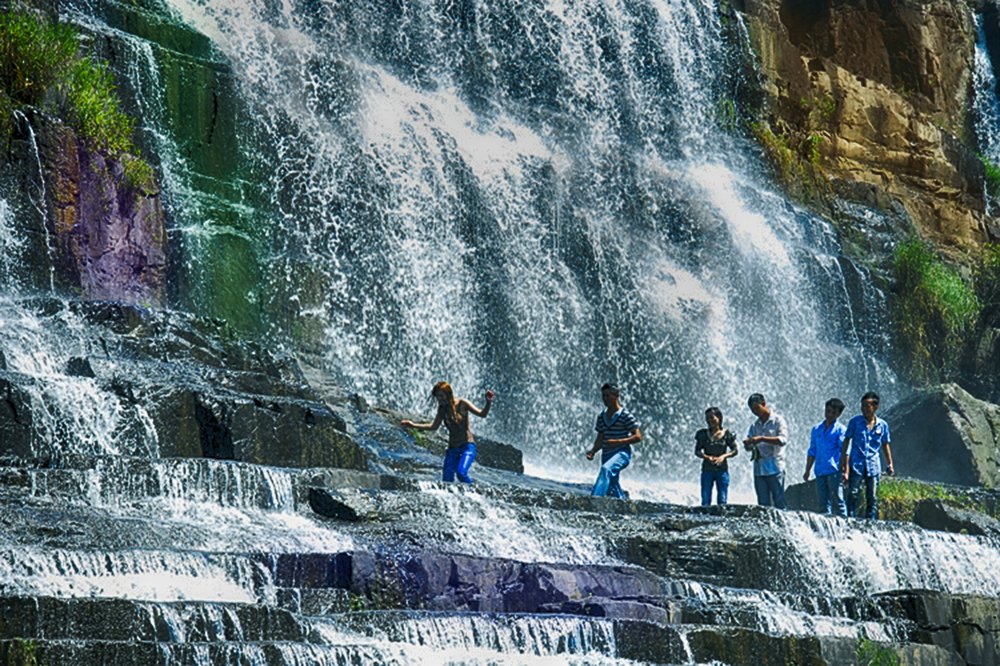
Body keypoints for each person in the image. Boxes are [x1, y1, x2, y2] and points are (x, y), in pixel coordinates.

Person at [401, 381, 494, 483]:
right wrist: (412, 425)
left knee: (461, 473)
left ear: (448, 394)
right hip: (452, 449)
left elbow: (482, 414)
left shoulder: (462, 404)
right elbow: (433, 426)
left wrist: (488, 402)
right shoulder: (442, 409)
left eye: (441, 396)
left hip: (467, 447)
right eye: (437, 397)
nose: (439, 399)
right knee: (447, 480)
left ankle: (476, 493)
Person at [840, 391, 894, 519]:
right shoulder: (855, 422)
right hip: (856, 463)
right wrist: (843, 461)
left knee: (872, 496)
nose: (864, 409)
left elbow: (885, 444)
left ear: (875, 407)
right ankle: (850, 519)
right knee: (853, 493)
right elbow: (846, 441)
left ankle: (871, 522)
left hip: (873, 465)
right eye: (862, 406)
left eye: (867, 406)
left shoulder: (883, 425)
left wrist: (890, 463)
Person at [584, 383, 641, 498]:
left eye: (608, 396)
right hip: (606, 453)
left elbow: (638, 437)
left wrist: (618, 442)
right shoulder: (601, 417)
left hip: (621, 453)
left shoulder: (625, 415)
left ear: (616, 396)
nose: (605, 399)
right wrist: (593, 451)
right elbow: (600, 438)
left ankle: (595, 499)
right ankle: (622, 504)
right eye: (603, 396)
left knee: (606, 470)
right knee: (612, 484)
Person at [803, 398, 847, 517]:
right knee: (823, 503)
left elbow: (845, 451)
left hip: (834, 470)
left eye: (834, 413)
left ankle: (846, 528)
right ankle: (827, 531)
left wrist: (846, 471)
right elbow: (812, 451)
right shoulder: (816, 429)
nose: (830, 415)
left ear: (839, 414)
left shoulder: (841, 430)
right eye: (828, 411)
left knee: (838, 501)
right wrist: (807, 470)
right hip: (820, 470)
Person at [744, 393, 789, 509]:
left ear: (763, 404)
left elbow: (782, 440)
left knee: (779, 500)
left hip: (775, 467)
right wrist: (748, 444)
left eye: (756, 408)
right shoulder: (754, 425)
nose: (755, 412)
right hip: (759, 468)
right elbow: (748, 444)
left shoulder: (778, 421)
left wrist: (761, 438)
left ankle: (783, 525)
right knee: (763, 503)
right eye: (752, 410)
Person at [695, 407, 738, 506]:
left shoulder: (727, 434)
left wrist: (723, 456)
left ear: (719, 418)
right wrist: (707, 457)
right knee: (706, 498)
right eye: (707, 418)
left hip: (722, 470)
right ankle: (704, 519)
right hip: (707, 469)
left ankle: (721, 520)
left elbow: (735, 450)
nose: (709, 420)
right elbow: (697, 451)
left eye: (711, 417)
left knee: (722, 499)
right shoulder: (703, 434)